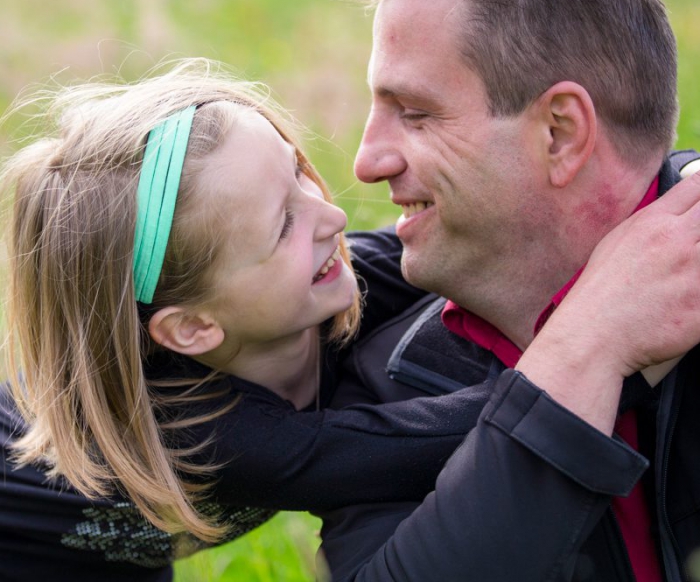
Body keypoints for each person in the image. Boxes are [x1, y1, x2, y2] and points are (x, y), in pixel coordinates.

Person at [0, 58, 502, 581]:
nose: (334, 218)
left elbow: (468, 255)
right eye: (284, 224)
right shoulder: (205, 434)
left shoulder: (310, 277)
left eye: (299, 173)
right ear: (192, 328)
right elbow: (463, 434)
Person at [318, 0, 700, 582]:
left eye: (416, 114)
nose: (367, 161)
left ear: (560, 132)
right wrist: (588, 346)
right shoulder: (386, 387)